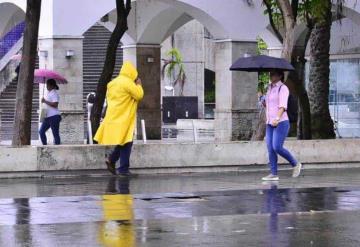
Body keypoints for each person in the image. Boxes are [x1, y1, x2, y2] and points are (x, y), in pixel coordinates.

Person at [94, 61, 144, 176]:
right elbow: (139, 95)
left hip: (113, 116)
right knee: (127, 142)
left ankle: (112, 160)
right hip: (124, 118)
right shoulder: (128, 83)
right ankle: (123, 169)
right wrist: (139, 85)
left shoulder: (112, 83)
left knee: (123, 142)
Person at [262, 70, 302, 181]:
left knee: (277, 147)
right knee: (270, 148)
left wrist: (277, 118)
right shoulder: (269, 88)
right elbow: (270, 106)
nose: (271, 76)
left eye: (273, 74)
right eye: (270, 74)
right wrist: (265, 103)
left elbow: (283, 106)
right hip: (270, 122)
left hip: (281, 122)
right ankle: (273, 173)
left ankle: (295, 164)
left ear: (280, 76)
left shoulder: (282, 88)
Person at [39, 79, 62, 145]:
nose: (46, 86)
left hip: (54, 116)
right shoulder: (48, 93)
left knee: (55, 133)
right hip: (47, 116)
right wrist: (43, 101)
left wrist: (45, 101)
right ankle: (45, 146)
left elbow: (55, 104)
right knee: (41, 131)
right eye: (46, 85)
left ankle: (57, 148)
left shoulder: (54, 93)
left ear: (51, 85)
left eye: (48, 85)